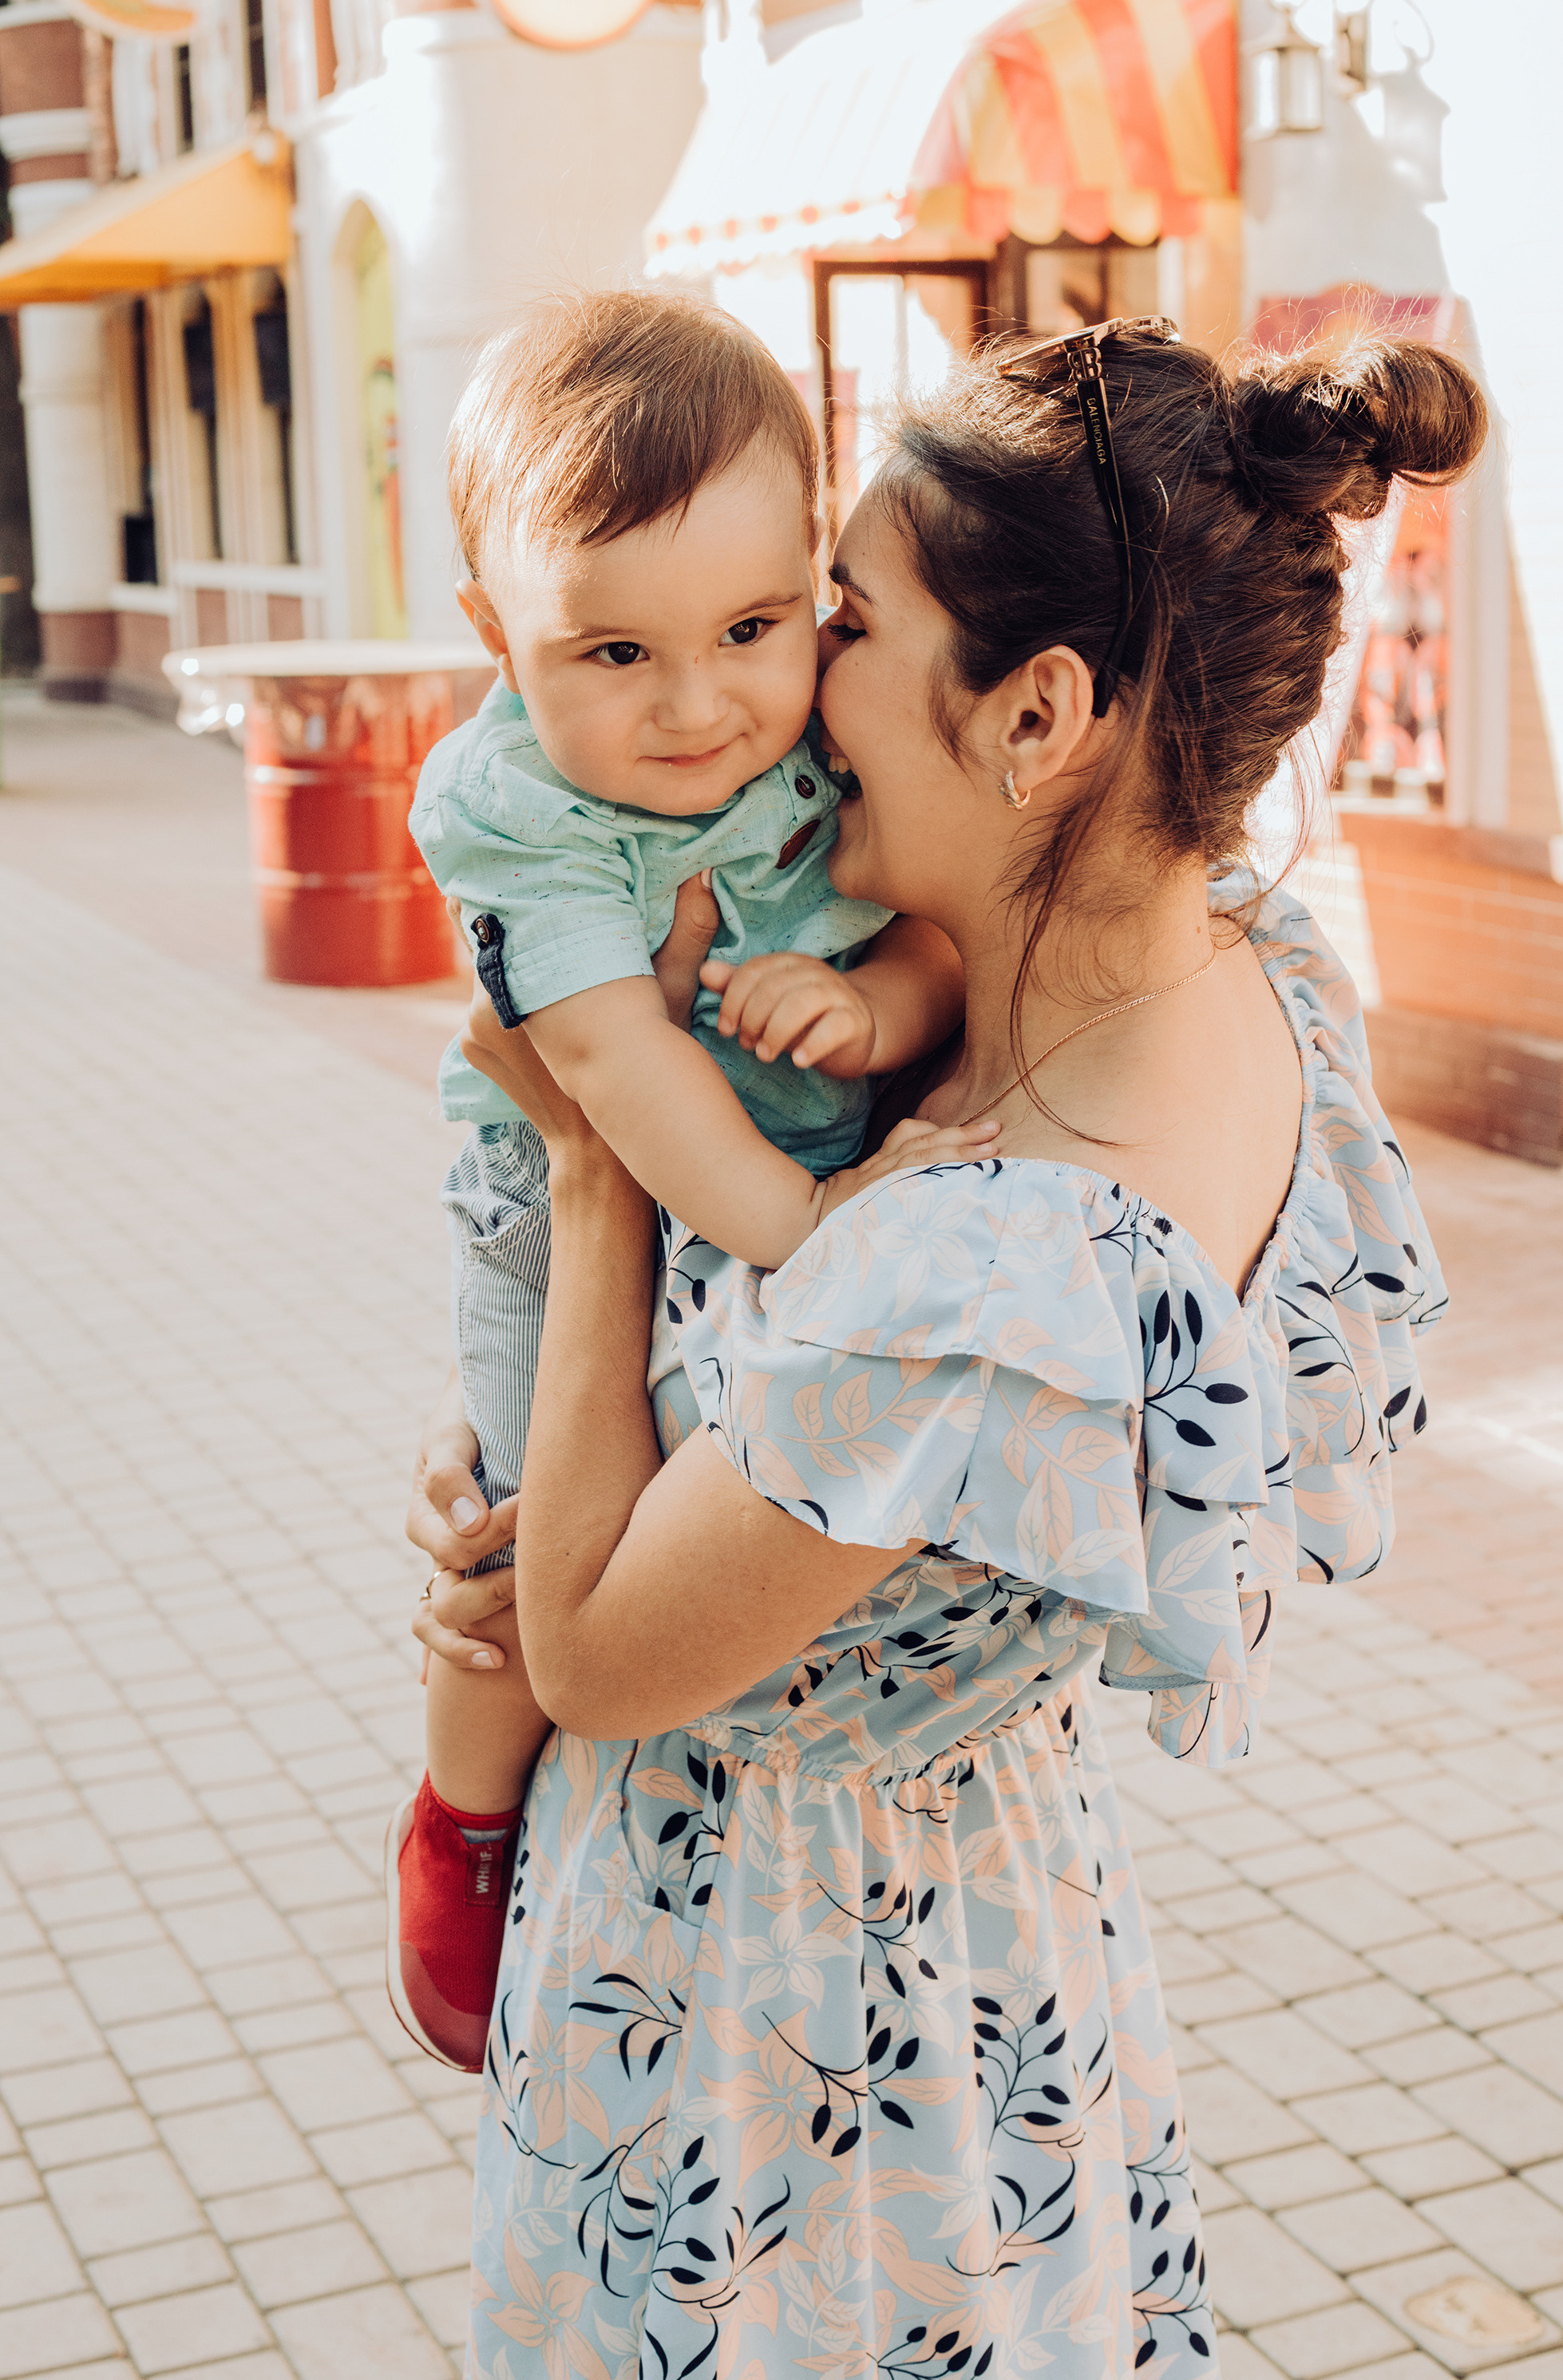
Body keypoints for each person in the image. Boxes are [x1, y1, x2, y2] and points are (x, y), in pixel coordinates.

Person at [409, 318, 1486, 2375]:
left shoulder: (967, 1269)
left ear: (1038, 713)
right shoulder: (1254, 987)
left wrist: (586, 1183)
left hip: (769, 2049)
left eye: (837, 618)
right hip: (1004, 1965)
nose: (787, 687)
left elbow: (592, 1653)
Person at [392, 290, 975, 2072]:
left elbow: (944, 945)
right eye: (612, 655)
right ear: (500, 639)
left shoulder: (828, 717)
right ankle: (459, 1816)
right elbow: (609, 1072)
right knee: (508, 1541)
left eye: (747, 625)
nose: (698, 705)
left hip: (783, 1183)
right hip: (567, 1200)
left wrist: (869, 1006)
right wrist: (817, 1244)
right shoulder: (518, 810)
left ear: (817, 584)